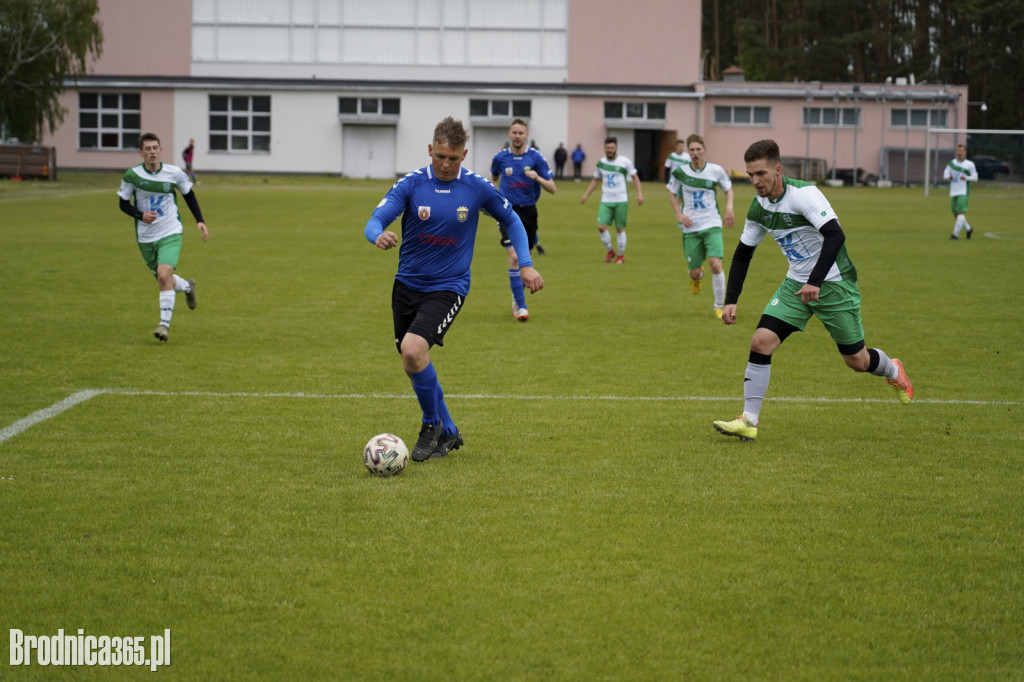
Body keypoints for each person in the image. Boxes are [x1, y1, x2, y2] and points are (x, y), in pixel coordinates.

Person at [364, 117, 544, 462]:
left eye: (454, 158)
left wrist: (524, 262)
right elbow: (375, 220)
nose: (446, 165)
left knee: (414, 350)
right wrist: (378, 235)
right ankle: (448, 430)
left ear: (465, 154)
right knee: (412, 360)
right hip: (406, 285)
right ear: (431, 150)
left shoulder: (476, 188)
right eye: (440, 157)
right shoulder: (412, 184)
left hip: (449, 286)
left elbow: (511, 220)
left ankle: (430, 424)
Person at [713, 139, 914, 442]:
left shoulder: (804, 195)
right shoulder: (759, 207)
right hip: (797, 284)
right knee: (761, 341)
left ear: (778, 170)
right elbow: (743, 253)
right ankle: (749, 421)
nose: (755, 181)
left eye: (761, 174)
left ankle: (892, 368)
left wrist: (815, 281)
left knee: (856, 360)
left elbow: (835, 236)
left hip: (833, 283)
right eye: (750, 175)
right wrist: (731, 300)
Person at [117, 132, 208, 342]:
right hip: (146, 236)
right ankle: (187, 287)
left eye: (155, 148)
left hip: (170, 231)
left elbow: (189, 195)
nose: (152, 152)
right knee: (164, 279)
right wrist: (140, 215)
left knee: (163, 275)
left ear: (161, 150)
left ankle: (164, 326)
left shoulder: (174, 173)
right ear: (141, 152)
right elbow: (122, 204)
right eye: (147, 149)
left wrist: (200, 220)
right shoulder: (132, 176)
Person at [491, 119, 556, 321]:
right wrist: (493, 195)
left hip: (529, 213)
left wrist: (537, 178)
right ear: (509, 133)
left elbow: (552, 187)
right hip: (506, 212)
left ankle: (516, 297)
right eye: (514, 132)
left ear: (526, 134)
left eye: (521, 132)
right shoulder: (500, 157)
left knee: (524, 261)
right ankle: (521, 305)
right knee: (515, 257)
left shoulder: (535, 157)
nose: (517, 136)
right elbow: (493, 178)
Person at [666, 134, 734, 317]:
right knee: (694, 273)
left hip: (712, 223)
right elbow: (671, 193)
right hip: (690, 227)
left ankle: (719, 306)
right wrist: (679, 215)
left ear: (704, 150)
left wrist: (729, 209)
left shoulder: (716, 170)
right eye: (692, 150)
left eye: (698, 149)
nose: (695, 153)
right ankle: (698, 276)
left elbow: (728, 190)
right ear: (688, 152)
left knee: (715, 264)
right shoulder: (680, 172)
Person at [579, 137, 644, 264]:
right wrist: (586, 195)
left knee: (619, 229)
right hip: (606, 200)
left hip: (621, 199)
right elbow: (595, 180)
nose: (609, 150)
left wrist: (639, 194)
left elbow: (635, 177)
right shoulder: (601, 163)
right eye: (607, 148)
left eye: (612, 148)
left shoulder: (624, 162)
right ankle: (610, 251)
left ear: (616, 148)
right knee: (601, 227)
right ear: (604, 148)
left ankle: (620, 255)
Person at [943, 143, 978, 240]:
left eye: (962, 151)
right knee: (956, 214)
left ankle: (955, 235)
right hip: (953, 191)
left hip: (964, 191)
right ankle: (969, 229)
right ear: (956, 152)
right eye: (958, 151)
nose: (960, 153)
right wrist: (949, 176)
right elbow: (945, 174)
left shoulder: (969, 164)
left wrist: (966, 177)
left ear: (965, 152)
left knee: (960, 213)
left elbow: (975, 177)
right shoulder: (951, 163)